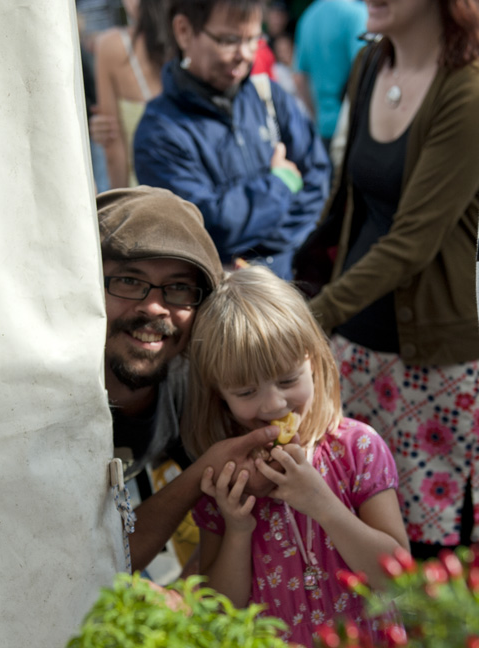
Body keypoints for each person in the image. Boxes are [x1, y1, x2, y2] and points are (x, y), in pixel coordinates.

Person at [306, 0, 479, 558]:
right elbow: (348, 201)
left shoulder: (467, 91)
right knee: (356, 537)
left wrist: (309, 316)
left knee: (431, 551)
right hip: (355, 348)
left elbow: (412, 242)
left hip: (433, 363)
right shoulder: (370, 64)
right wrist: (291, 280)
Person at [182, 267, 409, 647]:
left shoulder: (356, 449)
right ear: (218, 394)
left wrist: (322, 504)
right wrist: (237, 528)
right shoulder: (223, 478)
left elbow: (398, 578)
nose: (273, 404)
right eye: (246, 391)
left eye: (288, 380)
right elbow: (220, 614)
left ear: (313, 363)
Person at [98, 186, 283, 573]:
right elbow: (89, 563)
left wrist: (185, 591)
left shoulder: (195, 380)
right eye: (129, 280)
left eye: (179, 288)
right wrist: (201, 474)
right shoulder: (43, 399)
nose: (154, 306)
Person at [133, 0, 330, 280]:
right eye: (229, 40)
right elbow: (205, 227)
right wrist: (281, 184)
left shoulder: (268, 97)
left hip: (294, 283)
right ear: (184, 31)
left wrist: (260, 245)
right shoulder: (159, 131)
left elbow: (318, 182)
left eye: (253, 39)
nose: (245, 54)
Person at [91, 0, 172, 189]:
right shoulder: (194, 38)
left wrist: (118, 201)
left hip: (142, 197)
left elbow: (114, 151)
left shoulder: (111, 46)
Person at [293, 0, 367, 149]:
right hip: (353, 129)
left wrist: (316, 115)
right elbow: (365, 69)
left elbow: (299, 78)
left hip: (322, 127)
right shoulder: (357, 13)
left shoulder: (307, 18)